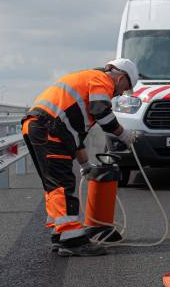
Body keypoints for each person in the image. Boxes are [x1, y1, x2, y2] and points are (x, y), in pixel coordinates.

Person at [21, 59, 139, 257]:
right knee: (61, 183)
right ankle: (73, 240)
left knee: (55, 185)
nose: (119, 94)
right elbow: (102, 113)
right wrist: (123, 134)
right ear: (120, 77)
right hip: (48, 129)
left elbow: (75, 137)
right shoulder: (101, 79)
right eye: (125, 89)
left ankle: (62, 234)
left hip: (43, 128)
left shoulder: (85, 85)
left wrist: (85, 164)